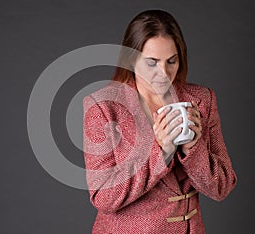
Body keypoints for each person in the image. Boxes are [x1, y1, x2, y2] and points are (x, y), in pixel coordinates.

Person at [83, 9, 237, 234]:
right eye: (152, 63)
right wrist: (161, 153)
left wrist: (194, 150)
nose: (164, 73)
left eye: (171, 61)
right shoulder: (103, 107)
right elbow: (103, 197)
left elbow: (222, 187)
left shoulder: (202, 100)